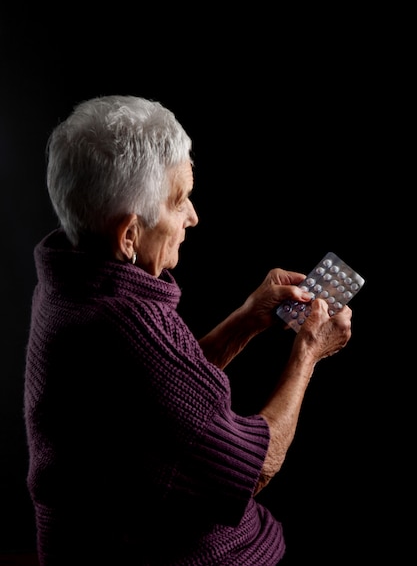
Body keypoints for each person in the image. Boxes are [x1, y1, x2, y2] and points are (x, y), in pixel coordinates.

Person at [24, 95, 352, 566]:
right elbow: (252, 470)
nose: (193, 217)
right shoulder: (128, 326)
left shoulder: (69, 283)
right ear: (129, 235)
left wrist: (247, 318)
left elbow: (158, 400)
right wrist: (309, 352)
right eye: (179, 201)